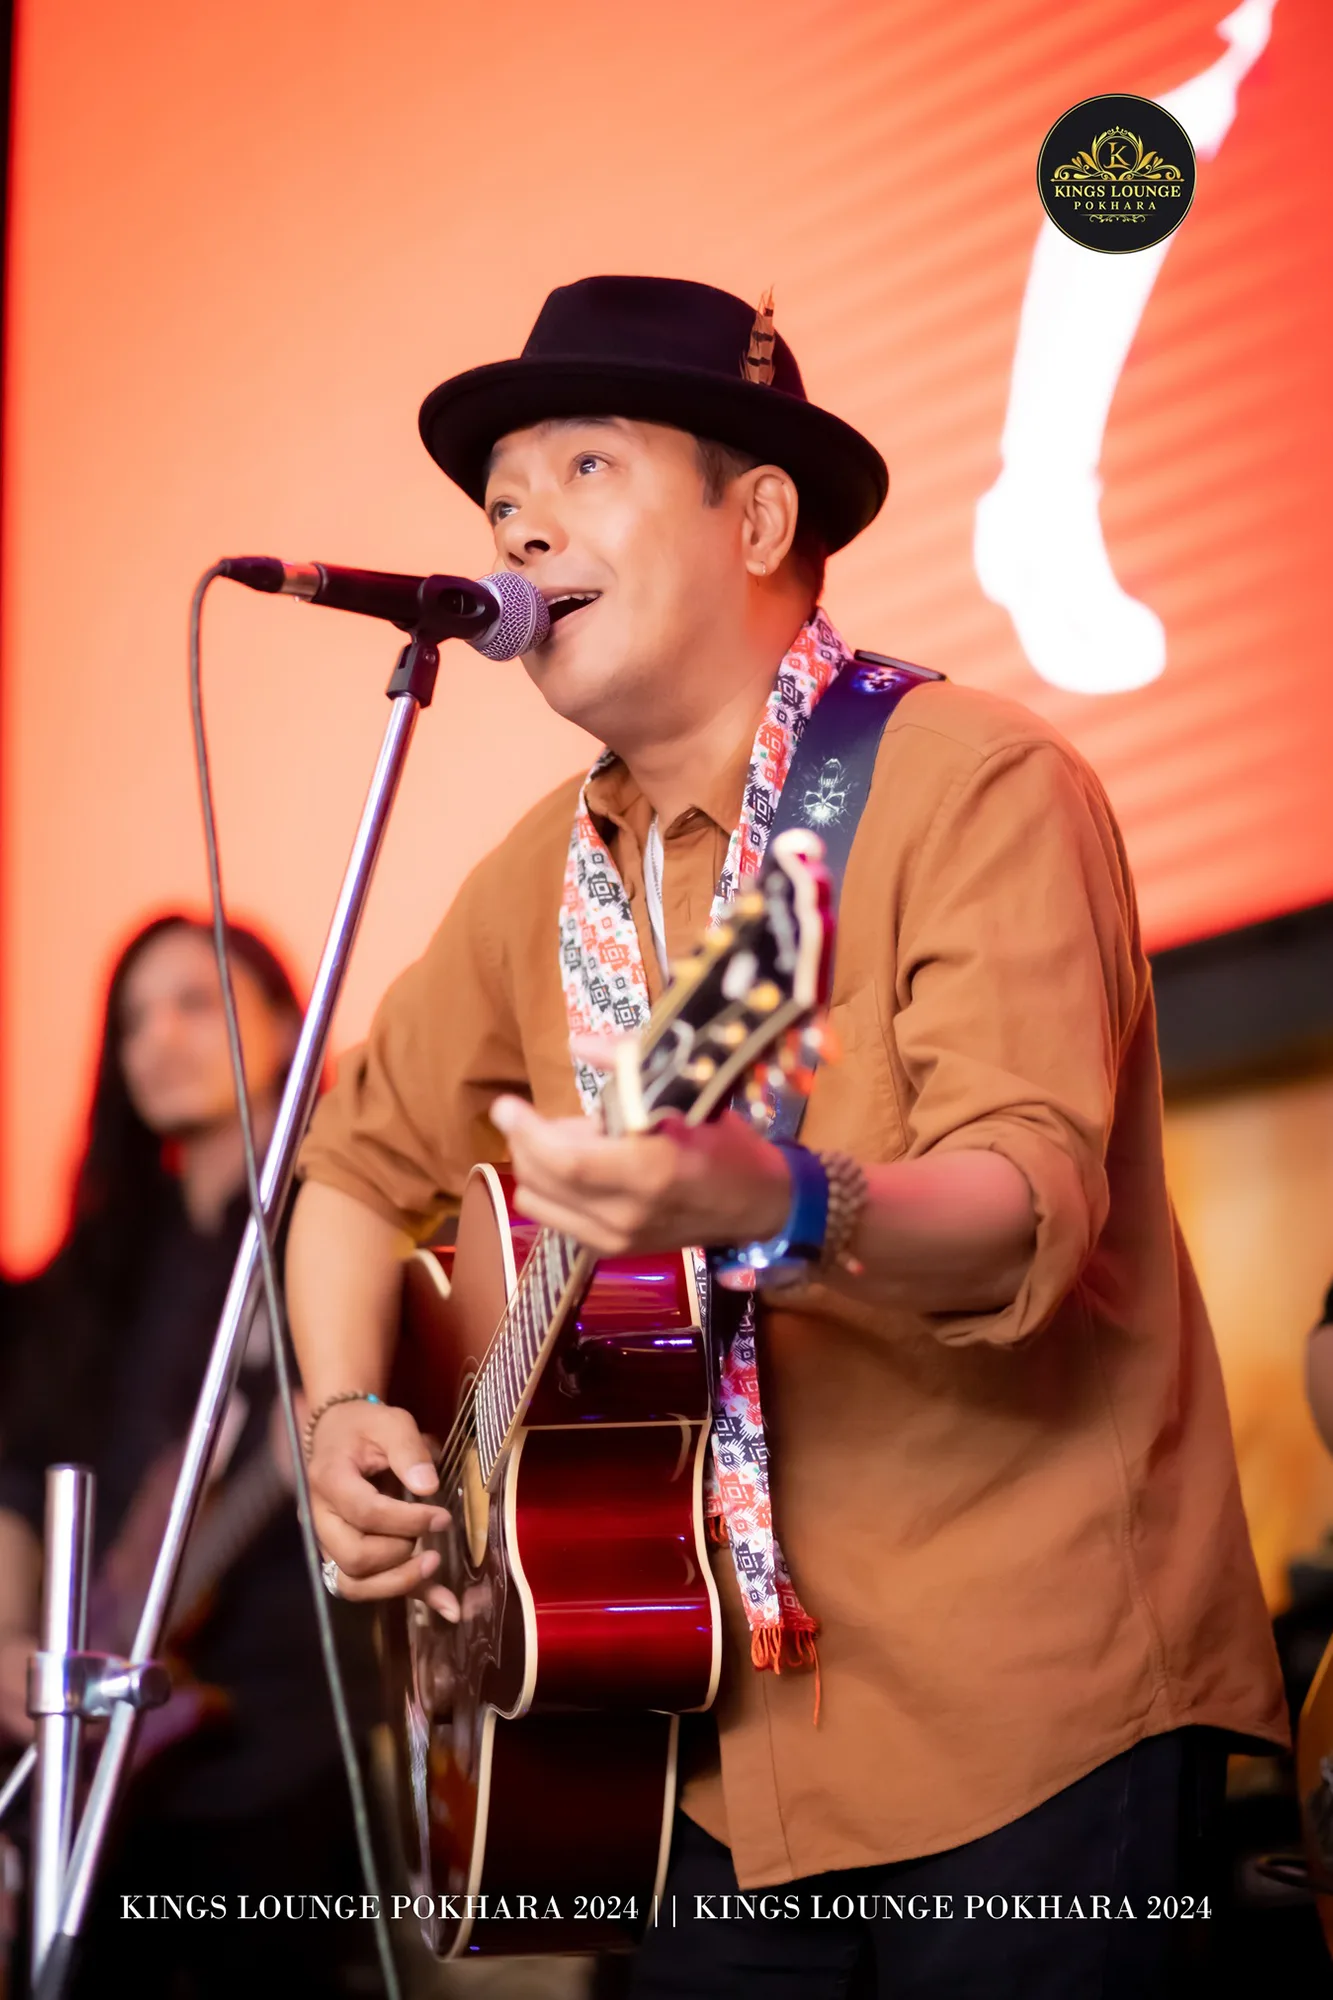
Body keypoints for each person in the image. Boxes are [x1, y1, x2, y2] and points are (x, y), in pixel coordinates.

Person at [285, 275, 1288, 1999]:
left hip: (1027, 1725)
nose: (518, 525)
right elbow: (349, 1169)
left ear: (756, 520)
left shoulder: (970, 783)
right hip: (687, 1763)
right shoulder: (538, 884)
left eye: (583, 468)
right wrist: (343, 1413)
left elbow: (1024, 1208)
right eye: (500, 499)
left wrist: (778, 1197)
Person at [0, 915, 378, 1998]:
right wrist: (10, 1645)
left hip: (285, 1764)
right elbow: (19, 1475)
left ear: (287, 1025)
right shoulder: (97, 1266)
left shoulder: (342, 1235)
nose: (158, 1038)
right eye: (133, 1020)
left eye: (196, 1003)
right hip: (99, 1772)